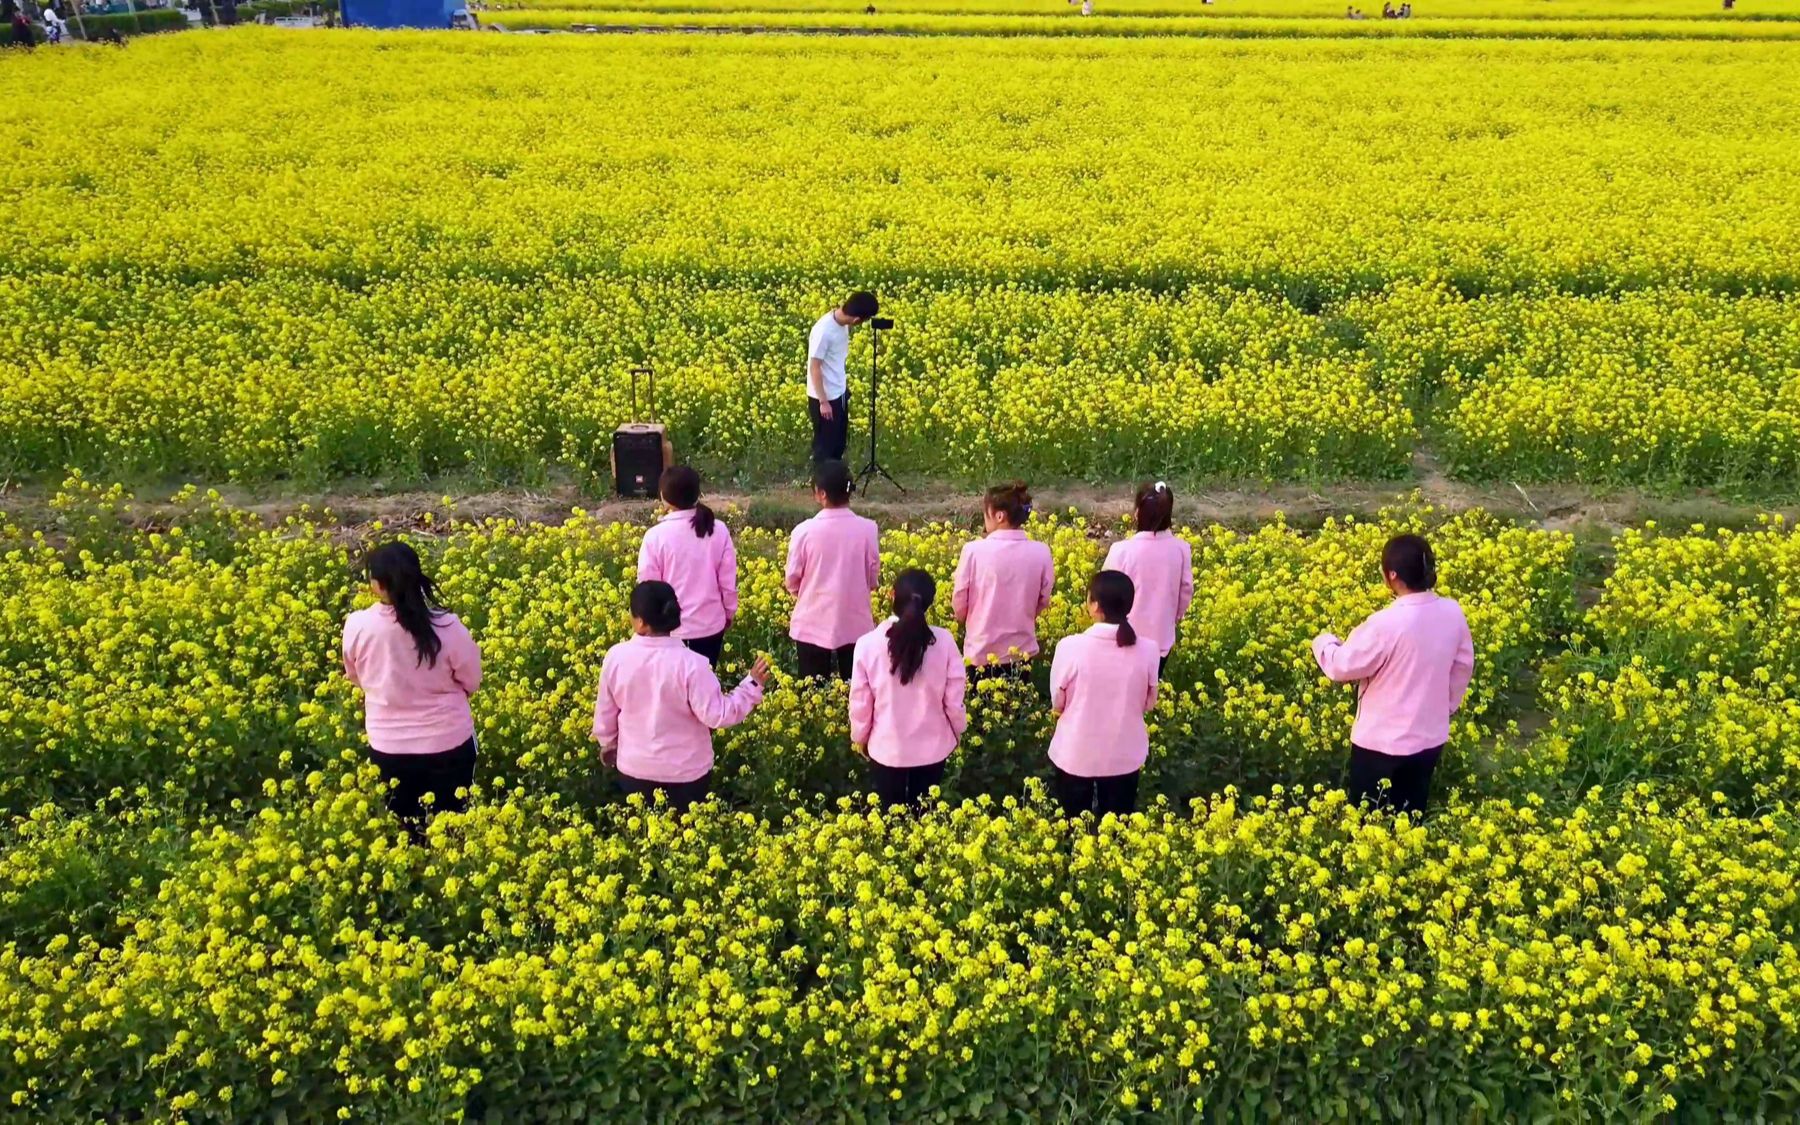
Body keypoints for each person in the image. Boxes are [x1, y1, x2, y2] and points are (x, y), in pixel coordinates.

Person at [1312, 534, 1474, 817]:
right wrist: (1444, 708)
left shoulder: (1386, 623)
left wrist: (1324, 643)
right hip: (1429, 740)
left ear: (1392, 575)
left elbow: (1341, 667)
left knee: (1366, 822)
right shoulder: (1453, 612)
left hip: (1380, 746)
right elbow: (1463, 666)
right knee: (1410, 818)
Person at [342, 543, 483, 839]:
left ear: (377, 586)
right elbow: (472, 680)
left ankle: (417, 880)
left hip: (389, 748)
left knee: (407, 832)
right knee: (455, 830)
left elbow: (356, 677)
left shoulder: (358, 626)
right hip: (449, 744)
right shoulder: (448, 626)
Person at [593, 581, 770, 813]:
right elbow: (718, 715)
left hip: (634, 772)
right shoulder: (693, 665)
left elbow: (605, 716)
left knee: (645, 840)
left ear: (640, 622)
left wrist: (608, 744)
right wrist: (752, 685)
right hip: (687, 777)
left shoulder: (616, 657)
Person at [850, 569, 967, 810]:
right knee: (926, 817)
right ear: (930, 603)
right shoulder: (944, 642)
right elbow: (954, 701)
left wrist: (860, 738)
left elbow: (861, 704)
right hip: (934, 749)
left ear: (892, 595)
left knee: (890, 818)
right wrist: (957, 733)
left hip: (886, 749)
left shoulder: (867, 644)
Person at [1048, 571, 1160, 818]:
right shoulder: (1149, 650)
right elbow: (1149, 703)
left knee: (1075, 825)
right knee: (1119, 827)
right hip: (1125, 752)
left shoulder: (1070, 647)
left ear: (1094, 605)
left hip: (1076, 752)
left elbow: (1058, 701)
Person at [786, 459, 881, 682]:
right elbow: (872, 577)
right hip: (855, 619)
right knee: (857, 688)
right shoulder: (868, 529)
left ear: (820, 494)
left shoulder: (804, 531)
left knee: (811, 689)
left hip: (812, 620)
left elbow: (792, 578)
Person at [953, 481, 1055, 684]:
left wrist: (969, 621)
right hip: (1021, 651)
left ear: (1000, 516)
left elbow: (959, 601)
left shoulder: (973, 551)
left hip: (980, 650)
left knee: (981, 711)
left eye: (986, 513)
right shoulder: (1041, 551)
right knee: (1016, 708)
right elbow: (1043, 600)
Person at [637, 466, 737, 668]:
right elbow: (728, 582)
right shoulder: (718, 530)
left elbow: (649, 587)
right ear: (697, 494)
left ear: (664, 497)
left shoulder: (656, 536)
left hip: (670, 632)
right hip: (711, 627)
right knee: (704, 691)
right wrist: (728, 613)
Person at [1102, 481, 1193, 679]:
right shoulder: (1181, 549)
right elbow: (1186, 590)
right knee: (1150, 687)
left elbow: (1105, 594)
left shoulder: (1121, 551)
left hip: (1122, 638)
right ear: (1168, 515)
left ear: (1137, 513)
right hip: (1160, 640)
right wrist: (1172, 617)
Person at [807, 290, 879, 465]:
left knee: (838, 444)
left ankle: (835, 483)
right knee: (825, 447)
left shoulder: (843, 324)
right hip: (825, 398)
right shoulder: (823, 331)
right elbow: (814, 367)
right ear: (857, 320)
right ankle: (822, 486)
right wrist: (823, 402)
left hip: (838, 393)